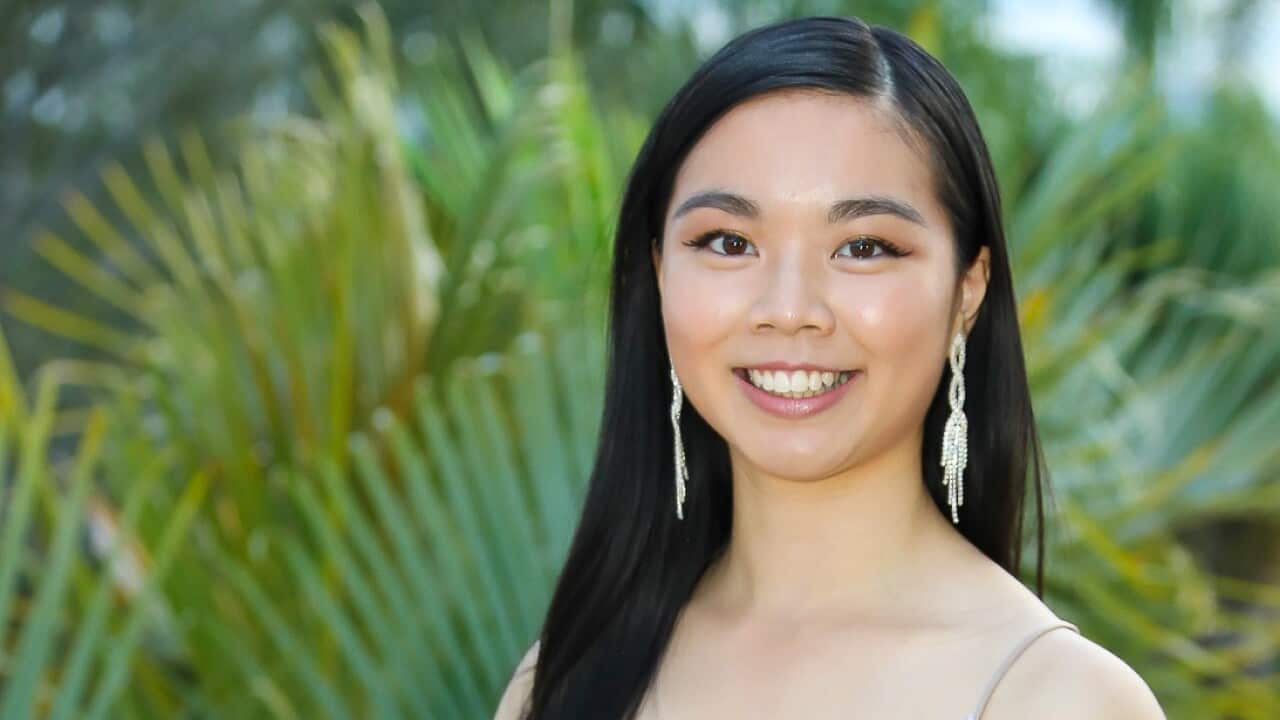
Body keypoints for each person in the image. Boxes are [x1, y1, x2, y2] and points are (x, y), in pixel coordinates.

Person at [495, 14, 1166, 720]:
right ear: (661, 272)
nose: (789, 310)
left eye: (864, 247)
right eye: (727, 241)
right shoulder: (563, 677)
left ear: (968, 289)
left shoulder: (1061, 698)